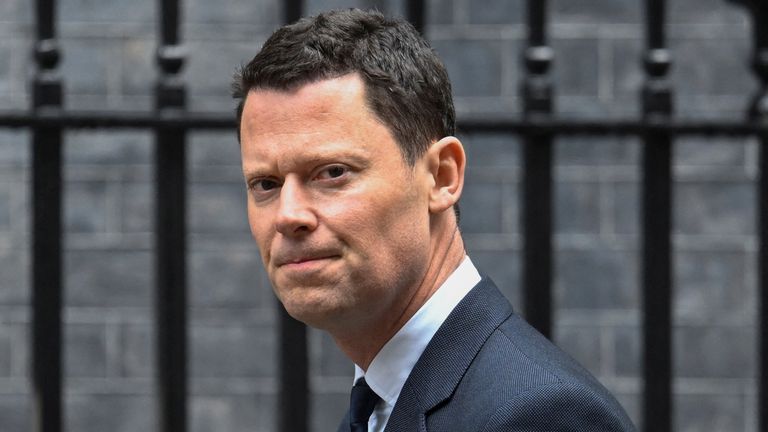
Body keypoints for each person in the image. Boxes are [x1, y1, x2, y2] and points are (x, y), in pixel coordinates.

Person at [232, 8, 636, 432]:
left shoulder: (538, 416)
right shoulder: (380, 406)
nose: (289, 214)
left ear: (442, 176)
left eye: (332, 173)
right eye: (265, 184)